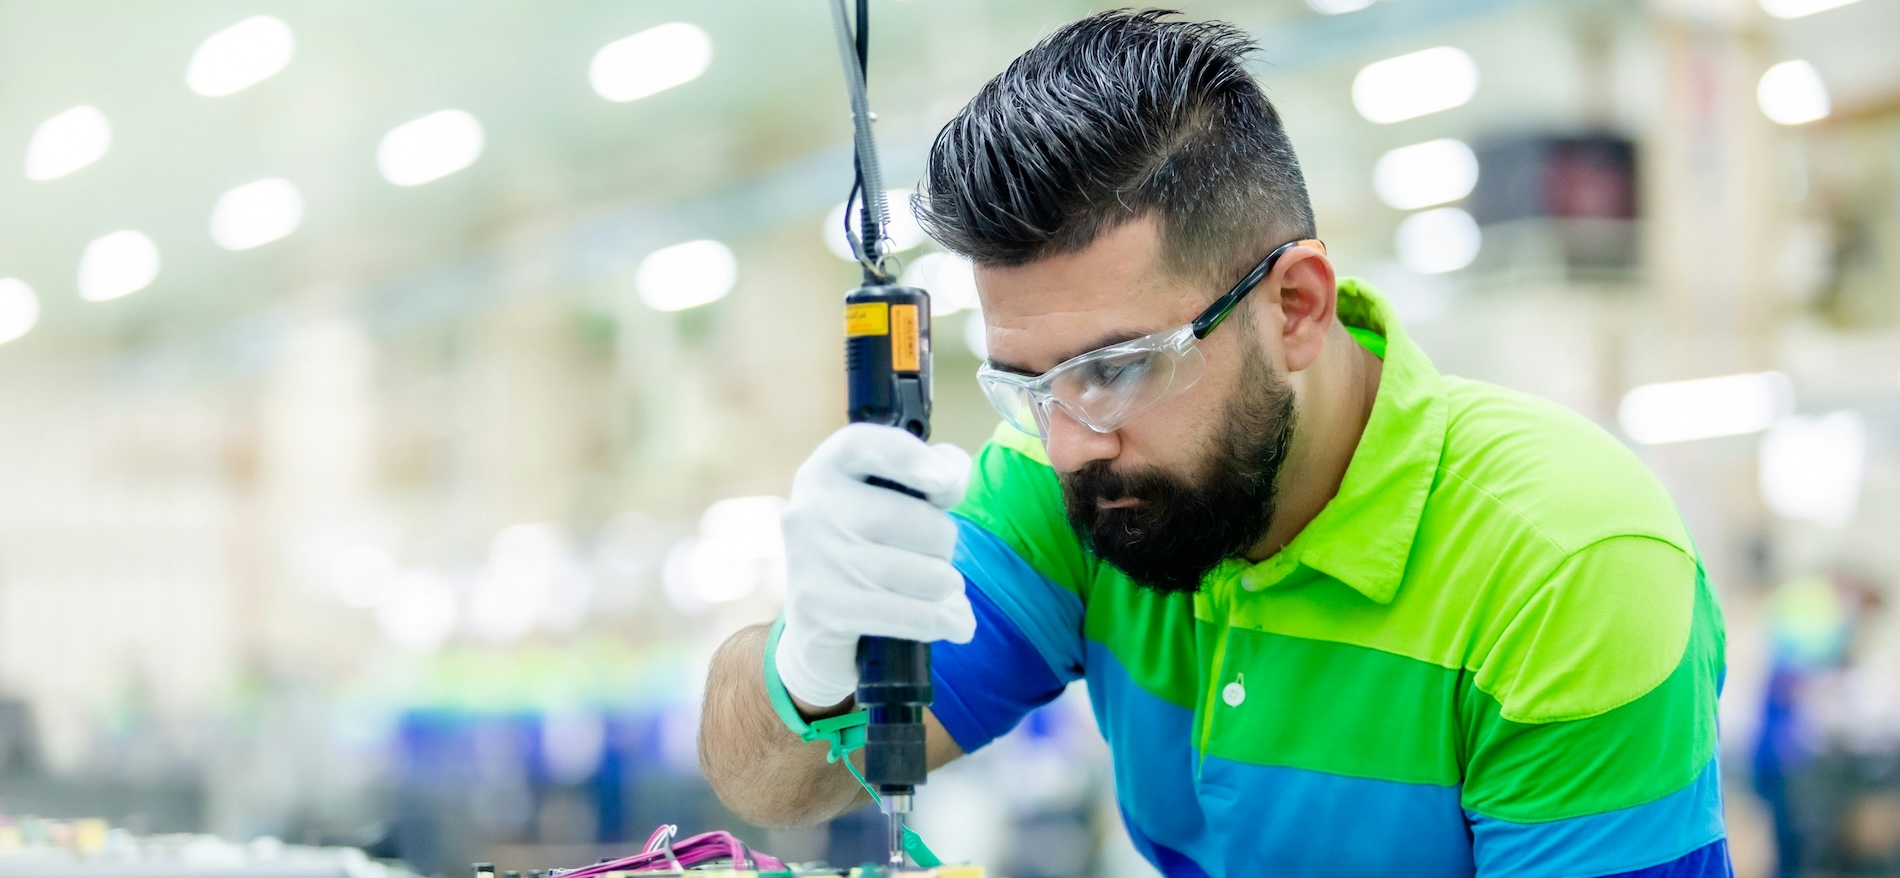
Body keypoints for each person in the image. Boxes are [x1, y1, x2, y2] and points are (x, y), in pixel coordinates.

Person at [699, 10, 1729, 877]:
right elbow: (774, 781)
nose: (1068, 444)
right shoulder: (1077, 481)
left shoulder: (1566, 562)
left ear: (1293, 307)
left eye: (1115, 366)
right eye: (1028, 385)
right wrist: (811, 660)